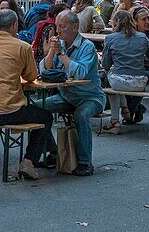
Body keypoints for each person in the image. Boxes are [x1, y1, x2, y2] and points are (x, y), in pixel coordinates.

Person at [0, 9, 53, 180]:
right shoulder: (22, 47)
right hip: (6, 109)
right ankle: (28, 161)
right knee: (45, 117)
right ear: (15, 26)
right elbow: (31, 76)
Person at [39, 9, 105, 176]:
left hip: (90, 96)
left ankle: (85, 162)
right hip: (66, 95)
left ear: (75, 27)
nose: (59, 31)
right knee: (38, 109)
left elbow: (81, 72)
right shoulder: (60, 45)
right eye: (57, 27)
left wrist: (61, 53)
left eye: (62, 27)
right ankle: (53, 151)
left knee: (81, 115)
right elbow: (45, 70)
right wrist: (52, 51)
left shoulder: (87, 47)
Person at [102, 10, 149, 132]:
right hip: (139, 82)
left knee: (109, 79)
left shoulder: (110, 38)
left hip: (119, 82)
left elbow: (106, 64)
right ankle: (125, 108)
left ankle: (115, 121)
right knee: (116, 81)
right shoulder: (142, 37)